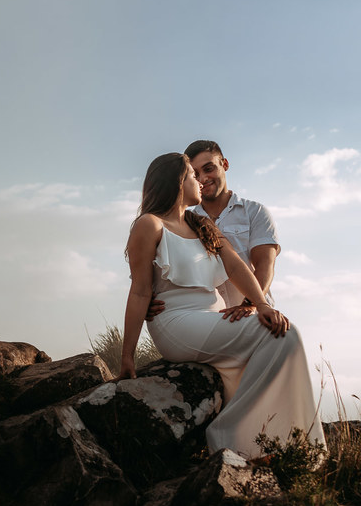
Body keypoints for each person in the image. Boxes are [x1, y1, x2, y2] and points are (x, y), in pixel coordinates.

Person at [119, 152, 325, 457]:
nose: (200, 181)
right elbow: (139, 291)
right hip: (176, 321)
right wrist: (127, 356)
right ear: (176, 182)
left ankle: (279, 446)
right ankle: (226, 432)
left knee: (283, 334)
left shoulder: (201, 225)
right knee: (284, 334)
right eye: (193, 175)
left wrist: (261, 304)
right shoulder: (150, 224)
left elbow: (236, 267)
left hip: (213, 316)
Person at [146, 140, 279, 323]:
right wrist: (149, 298)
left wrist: (251, 304)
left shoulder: (255, 212)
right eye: (195, 174)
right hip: (206, 319)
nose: (203, 179)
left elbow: (265, 264)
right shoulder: (186, 222)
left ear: (225, 164)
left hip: (254, 315)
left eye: (209, 169)